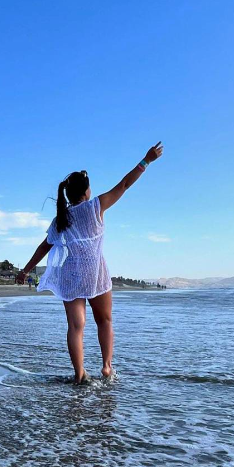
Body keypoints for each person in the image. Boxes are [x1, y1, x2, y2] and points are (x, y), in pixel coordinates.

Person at [17, 142, 164, 384]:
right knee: (104, 321)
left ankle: (79, 374)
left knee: (76, 327)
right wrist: (146, 161)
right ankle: (107, 367)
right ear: (86, 192)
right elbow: (125, 184)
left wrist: (25, 270)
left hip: (72, 276)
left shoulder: (61, 218)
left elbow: (44, 246)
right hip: (96, 273)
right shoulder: (96, 206)